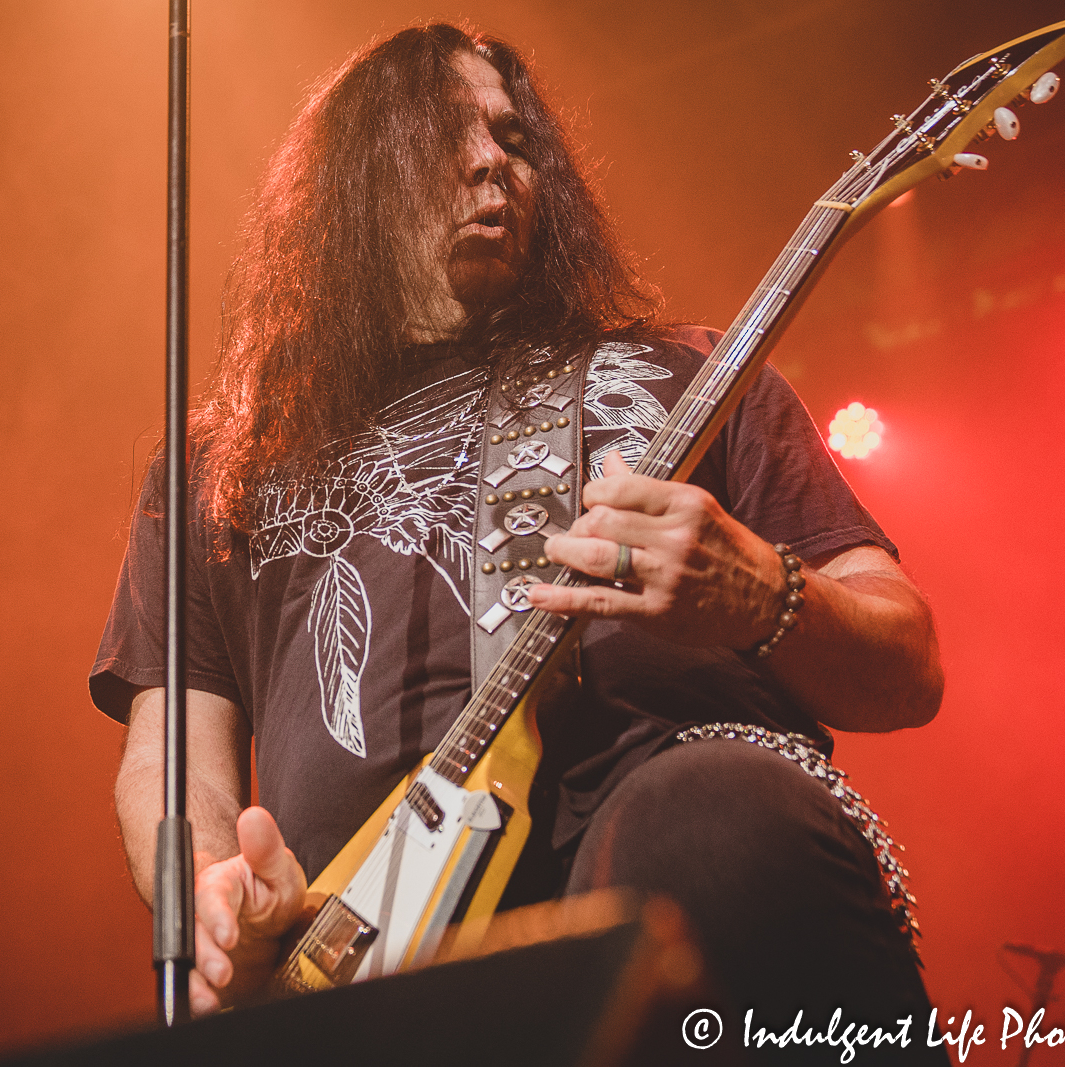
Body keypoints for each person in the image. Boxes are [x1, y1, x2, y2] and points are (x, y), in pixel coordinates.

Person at [91, 23, 944, 1033]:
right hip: (370, 937)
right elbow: (173, 756)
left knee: (705, 815)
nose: (495, 158)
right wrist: (216, 896)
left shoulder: (689, 378)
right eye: (447, 131)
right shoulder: (216, 462)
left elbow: (908, 662)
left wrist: (764, 594)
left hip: (677, 866)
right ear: (354, 183)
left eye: (514, 135)